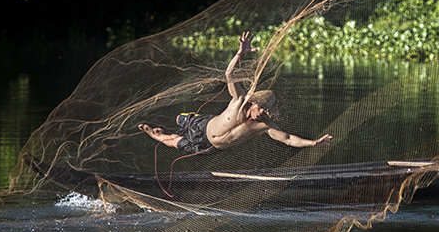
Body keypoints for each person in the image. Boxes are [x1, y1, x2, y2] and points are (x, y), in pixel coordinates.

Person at [138, 32, 333, 153]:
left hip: (209, 146)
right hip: (203, 125)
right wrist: (240, 53)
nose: (264, 113)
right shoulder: (239, 100)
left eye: (267, 112)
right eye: (263, 109)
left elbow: (289, 139)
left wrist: (314, 143)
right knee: (180, 120)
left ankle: (157, 136)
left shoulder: (264, 125)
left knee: (175, 142)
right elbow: (229, 74)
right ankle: (178, 123)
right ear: (255, 104)